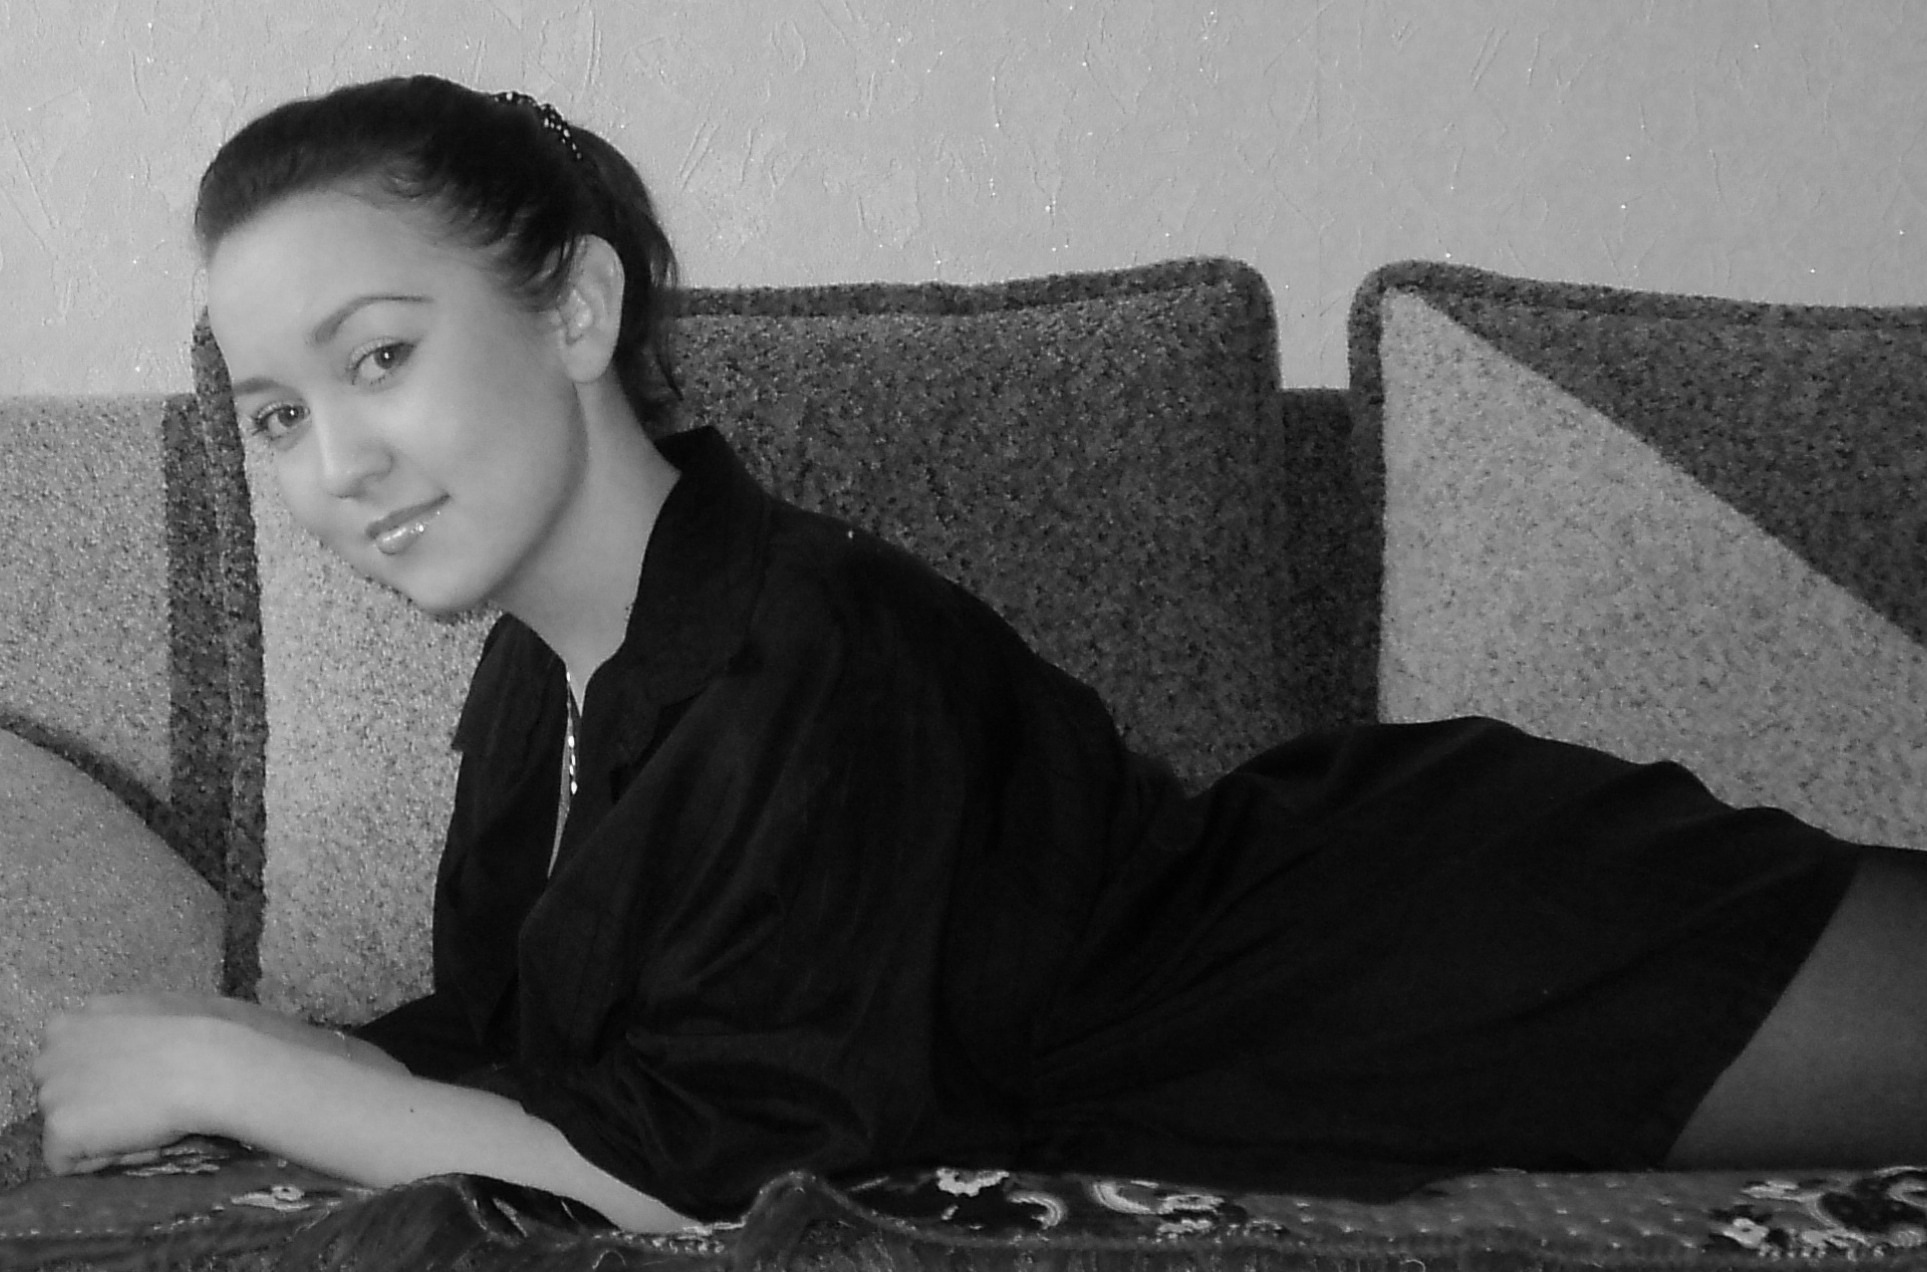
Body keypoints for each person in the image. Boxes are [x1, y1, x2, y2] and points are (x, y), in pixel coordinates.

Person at [31, 75, 1927, 1234]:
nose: (335, 464)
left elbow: (715, 1183)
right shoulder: (545, 687)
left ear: (580, 308)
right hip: (1361, 987)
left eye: (379, 356)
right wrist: (254, 1054)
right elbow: (543, 1067)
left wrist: (237, 1064)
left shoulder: (810, 645)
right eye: (275, 415)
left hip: (1456, 954)